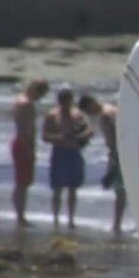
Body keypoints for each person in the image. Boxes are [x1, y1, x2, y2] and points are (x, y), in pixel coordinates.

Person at [42, 84, 93, 229]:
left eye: (67, 98)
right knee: (57, 188)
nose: (64, 101)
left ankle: (71, 219)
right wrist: (60, 137)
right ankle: (56, 219)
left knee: (73, 187)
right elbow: (45, 136)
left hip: (74, 152)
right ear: (58, 99)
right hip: (59, 152)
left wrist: (78, 136)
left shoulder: (78, 114)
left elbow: (89, 130)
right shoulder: (52, 115)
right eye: (62, 98)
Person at [78, 95, 125, 233]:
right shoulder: (110, 108)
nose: (89, 114)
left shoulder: (105, 116)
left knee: (120, 191)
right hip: (127, 151)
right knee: (126, 190)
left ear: (92, 103)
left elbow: (114, 137)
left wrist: (114, 161)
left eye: (88, 111)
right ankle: (121, 224)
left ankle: (117, 225)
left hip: (118, 154)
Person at [10, 79, 49, 227]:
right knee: (22, 182)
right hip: (23, 144)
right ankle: (20, 216)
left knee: (22, 182)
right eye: (41, 94)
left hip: (20, 142)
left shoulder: (19, 101)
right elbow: (24, 130)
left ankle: (20, 215)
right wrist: (29, 150)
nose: (40, 98)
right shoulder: (26, 105)